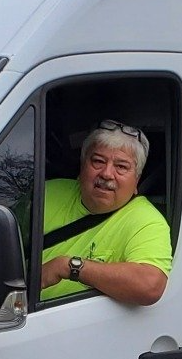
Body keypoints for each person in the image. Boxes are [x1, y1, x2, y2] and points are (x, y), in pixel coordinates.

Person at [40, 119, 172, 305]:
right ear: (82, 166)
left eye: (121, 166)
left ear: (137, 180)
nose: (107, 174)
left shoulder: (147, 221)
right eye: (98, 161)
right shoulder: (46, 192)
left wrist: (70, 266)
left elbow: (150, 285)